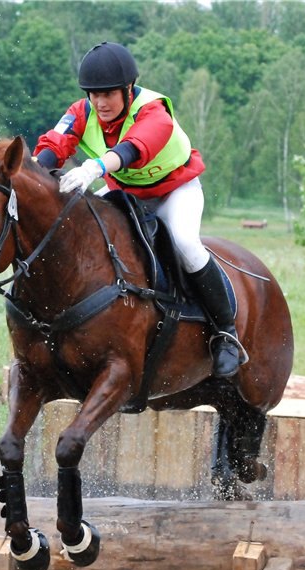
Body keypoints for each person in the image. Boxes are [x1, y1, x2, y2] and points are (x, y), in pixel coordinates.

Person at [34, 41, 242, 378]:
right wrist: (26, 175)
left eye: (108, 94)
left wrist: (93, 168)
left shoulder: (153, 110)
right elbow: (53, 147)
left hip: (175, 190)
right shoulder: (80, 112)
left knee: (186, 244)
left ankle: (226, 333)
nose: (100, 102)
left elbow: (133, 149)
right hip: (126, 191)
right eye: (93, 94)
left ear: (128, 89)